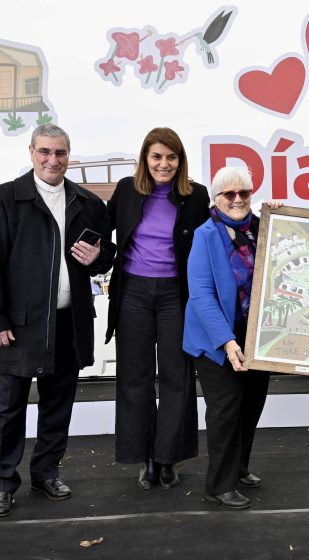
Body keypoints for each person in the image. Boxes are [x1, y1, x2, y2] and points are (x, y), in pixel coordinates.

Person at [0, 124, 114, 517]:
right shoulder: (3, 199)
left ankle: (46, 471)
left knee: (57, 405)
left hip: (68, 322)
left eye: (61, 153)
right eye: (45, 152)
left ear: (70, 155)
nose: (53, 160)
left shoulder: (87, 202)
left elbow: (106, 255)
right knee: (7, 408)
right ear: (31, 152)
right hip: (16, 325)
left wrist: (99, 260)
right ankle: (1, 483)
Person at [106, 128, 210, 490]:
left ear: (180, 161)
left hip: (175, 296)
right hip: (132, 292)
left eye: (171, 157)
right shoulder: (125, 190)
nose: (164, 164)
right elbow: (103, 236)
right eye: (156, 157)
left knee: (176, 377)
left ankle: (168, 458)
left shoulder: (196, 196)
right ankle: (144, 458)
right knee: (135, 378)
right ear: (144, 159)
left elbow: (210, 241)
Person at [183, 166, 274, 510]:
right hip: (214, 339)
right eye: (229, 194)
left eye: (244, 193)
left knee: (250, 406)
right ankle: (218, 485)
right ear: (216, 199)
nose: (237, 199)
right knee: (224, 410)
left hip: (256, 335)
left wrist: (282, 216)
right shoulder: (206, 235)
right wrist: (226, 341)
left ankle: (239, 468)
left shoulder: (264, 228)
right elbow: (201, 295)